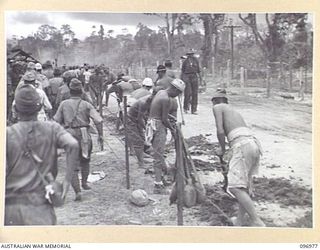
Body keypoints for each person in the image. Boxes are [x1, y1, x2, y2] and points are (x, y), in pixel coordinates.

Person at [6, 85, 79, 225]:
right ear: (39, 108)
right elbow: (73, 145)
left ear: (15, 110)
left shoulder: (7, 134)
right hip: (40, 206)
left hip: (10, 207)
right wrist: (67, 181)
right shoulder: (52, 128)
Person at [211, 88, 265, 227]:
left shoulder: (218, 107)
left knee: (234, 187)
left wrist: (222, 149)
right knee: (243, 186)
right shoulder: (233, 110)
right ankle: (240, 221)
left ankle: (256, 221)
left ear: (215, 100)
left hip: (242, 145)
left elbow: (220, 130)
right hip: (253, 144)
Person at [54, 78, 104, 201]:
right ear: (81, 91)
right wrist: (100, 135)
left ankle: (78, 192)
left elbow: (56, 121)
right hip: (85, 135)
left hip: (69, 134)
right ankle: (85, 183)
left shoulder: (64, 104)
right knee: (85, 160)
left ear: (70, 91)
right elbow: (98, 120)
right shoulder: (86, 104)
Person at [147, 78, 185, 194]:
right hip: (158, 126)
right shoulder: (166, 99)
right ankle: (157, 186)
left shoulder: (160, 92)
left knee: (159, 153)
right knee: (158, 155)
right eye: (177, 93)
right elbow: (164, 119)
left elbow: (161, 112)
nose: (176, 96)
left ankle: (161, 177)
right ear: (174, 89)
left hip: (153, 123)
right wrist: (173, 130)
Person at [127, 94, 153, 168]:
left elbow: (144, 116)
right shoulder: (143, 103)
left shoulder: (148, 102)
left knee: (142, 137)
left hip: (136, 119)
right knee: (138, 141)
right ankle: (141, 163)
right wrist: (146, 128)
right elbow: (140, 118)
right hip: (131, 120)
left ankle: (141, 155)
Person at [181, 49, 201, 115]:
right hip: (187, 76)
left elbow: (198, 70)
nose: (190, 56)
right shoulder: (185, 61)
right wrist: (182, 79)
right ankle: (185, 108)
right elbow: (183, 71)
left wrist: (200, 79)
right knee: (188, 92)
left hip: (194, 76)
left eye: (191, 54)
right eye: (189, 55)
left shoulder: (196, 61)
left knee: (195, 93)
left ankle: (194, 109)